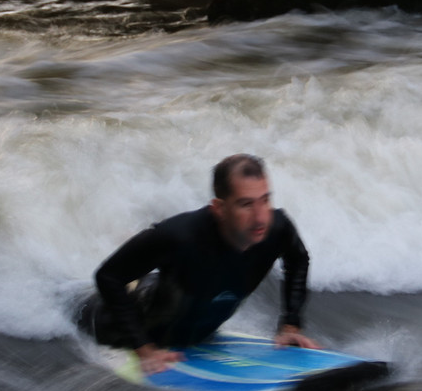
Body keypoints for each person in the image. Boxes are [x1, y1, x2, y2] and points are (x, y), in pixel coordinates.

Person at [81, 154, 320, 374]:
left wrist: (291, 323)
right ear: (219, 208)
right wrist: (143, 347)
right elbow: (108, 276)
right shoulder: (178, 236)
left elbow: (298, 260)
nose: (260, 216)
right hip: (111, 326)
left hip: (187, 327)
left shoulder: (277, 228)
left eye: (265, 200)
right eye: (246, 204)